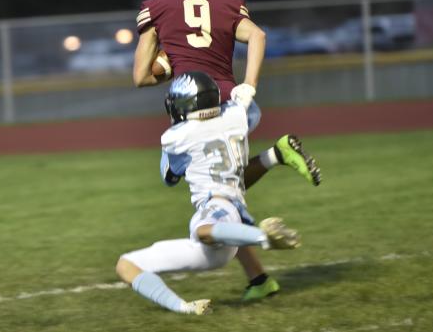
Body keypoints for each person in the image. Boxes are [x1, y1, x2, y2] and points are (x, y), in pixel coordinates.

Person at [131, 0, 321, 302]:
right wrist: (248, 85)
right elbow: (259, 36)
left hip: (195, 111)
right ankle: (259, 278)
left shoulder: (158, 8)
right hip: (236, 106)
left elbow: (141, 76)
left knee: (207, 190)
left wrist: (167, 59)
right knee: (223, 194)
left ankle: (274, 159)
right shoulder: (227, 3)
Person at [116, 71, 301, 315]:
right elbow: (251, 113)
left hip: (219, 207)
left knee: (201, 229)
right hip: (228, 219)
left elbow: (170, 177)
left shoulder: (176, 137)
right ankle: (185, 308)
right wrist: (241, 98)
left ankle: (263, 237)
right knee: (127, 264)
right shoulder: (236, 115)